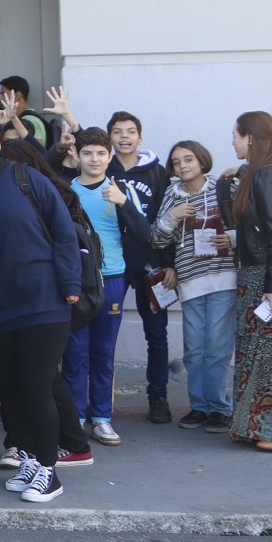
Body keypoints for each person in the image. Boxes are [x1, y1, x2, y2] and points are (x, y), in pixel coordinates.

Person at [0, 115, 80, 504]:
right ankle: (26, 458)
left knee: (37, 386)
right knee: (9, 390)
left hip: (43, 303)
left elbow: (63, 230)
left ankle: (48, 470)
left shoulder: (25, 178)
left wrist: (70, 284)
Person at [218, 111, 272, 452]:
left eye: (235, 135)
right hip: (260, 273)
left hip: (271, 276)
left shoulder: (267, 177)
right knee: (255, 351)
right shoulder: (262, 173)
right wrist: (238, 172)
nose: (232, 141)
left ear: (250, 138)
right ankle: (253, 426)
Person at [63, 128, 140, 447]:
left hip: (111, 279)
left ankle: (103, 419)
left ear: (110, 157)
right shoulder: (65, 191)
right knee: (74, 352)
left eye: (100, 153)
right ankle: (76, 417)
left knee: (103, 352)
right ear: (76, 156)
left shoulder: (120, 189)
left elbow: (143, 232)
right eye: (87, 153)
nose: (94, 159)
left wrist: (123, 203)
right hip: (78, 282)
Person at [152, 140, 234, 432]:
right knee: (194, 349)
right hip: (189, 280)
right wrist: (172, 217)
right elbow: (158, 239)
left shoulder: (224, 189)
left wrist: (232, 240)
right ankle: (199, 407)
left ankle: (219, 408)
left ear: (202, 161)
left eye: (188, 159)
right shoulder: (171, 196)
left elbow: (249, 224)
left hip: (224, 277)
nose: (183, 166)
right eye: (176, 162)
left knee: (217, 347)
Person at [103, 111, 174, 425]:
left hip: (151, 263)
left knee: (156, 334)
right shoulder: (103, 168)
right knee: (104, 334)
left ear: (140, 138)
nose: (124, 137)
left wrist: (170, 264)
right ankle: (101, 402)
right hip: (113, 263)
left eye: (130, 131)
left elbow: (167, 222)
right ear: (111, 138)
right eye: (117, 132)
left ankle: (158, 397)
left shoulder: (157, 173)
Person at [0, 76, 52, 147]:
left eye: (3, 93)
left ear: (17, 95)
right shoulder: (27, 118)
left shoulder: (30, 120)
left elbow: (37, 149)